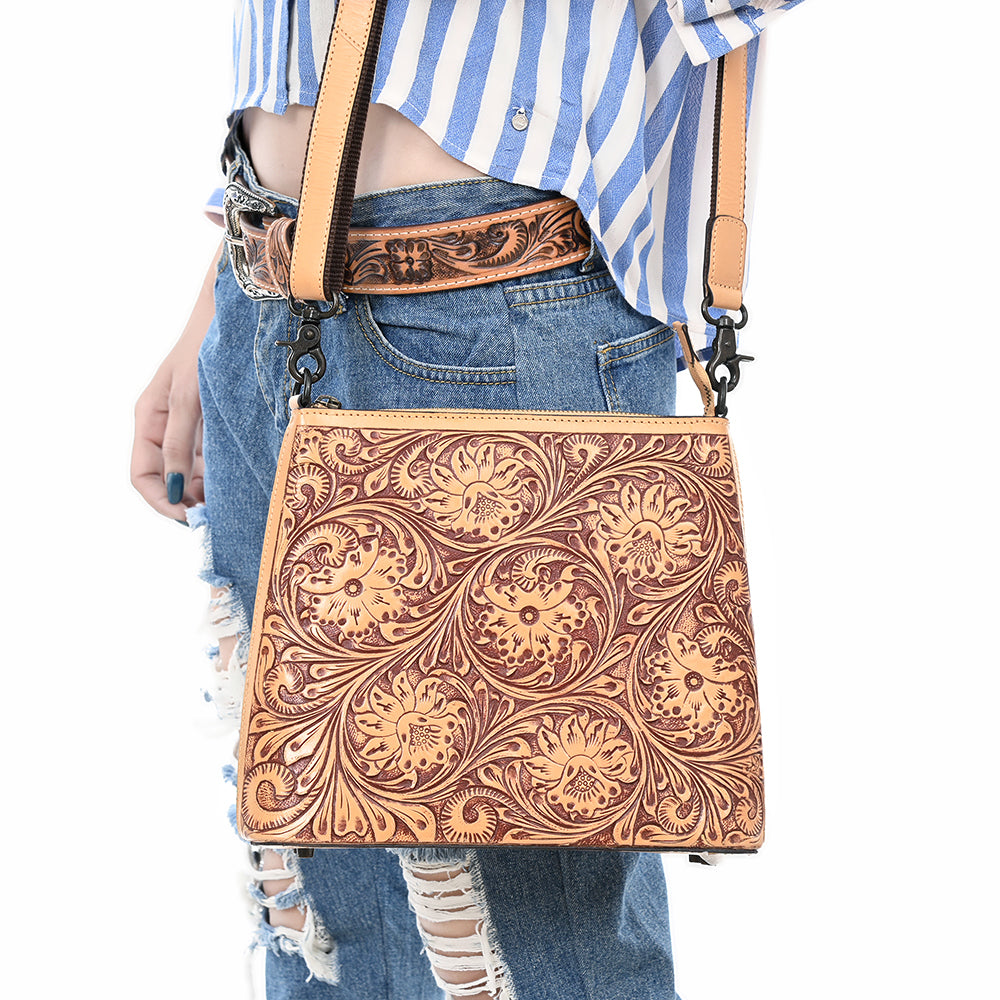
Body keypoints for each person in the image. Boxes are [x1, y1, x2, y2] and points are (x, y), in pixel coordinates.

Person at [131, 3, 803, 997]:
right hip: (271, 283)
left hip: (492, 299)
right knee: (319, 922)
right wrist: (221, 292)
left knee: (534, 947)